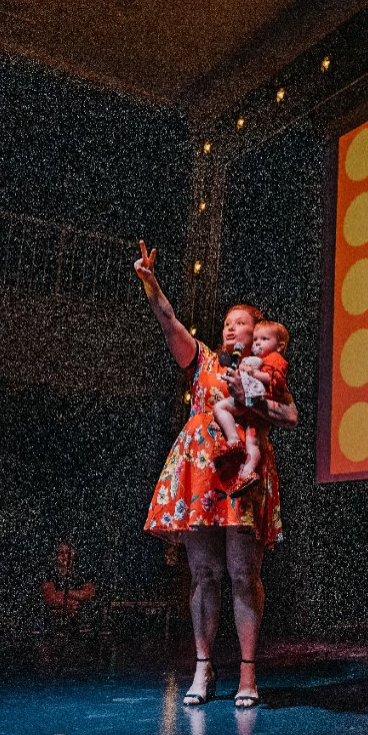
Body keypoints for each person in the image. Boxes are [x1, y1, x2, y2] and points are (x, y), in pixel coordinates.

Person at [133, 240, 298, 709]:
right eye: (226, 322)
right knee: (204, 573)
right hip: (201, 472)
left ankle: (248, 674)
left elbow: (291, 416)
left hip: (242, 474)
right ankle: (203, 669)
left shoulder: (267, 370)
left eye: (240, 322)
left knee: (244, 575)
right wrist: (151, 282)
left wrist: (253, 402)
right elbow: (169, 322)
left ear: (258, 332)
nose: (230, 327)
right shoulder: (204, 360)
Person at [211, 319, 290, 497]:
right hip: (250, 410)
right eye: (256, 340)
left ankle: (235, 446)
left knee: (225, 411)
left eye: (263, 339)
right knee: (252, 440)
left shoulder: (274, 360)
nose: (258, 343)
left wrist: (251, 374)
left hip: (254, 404)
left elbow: (275, 383)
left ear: (279, 345)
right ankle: (246, 472)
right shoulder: (255, 360)